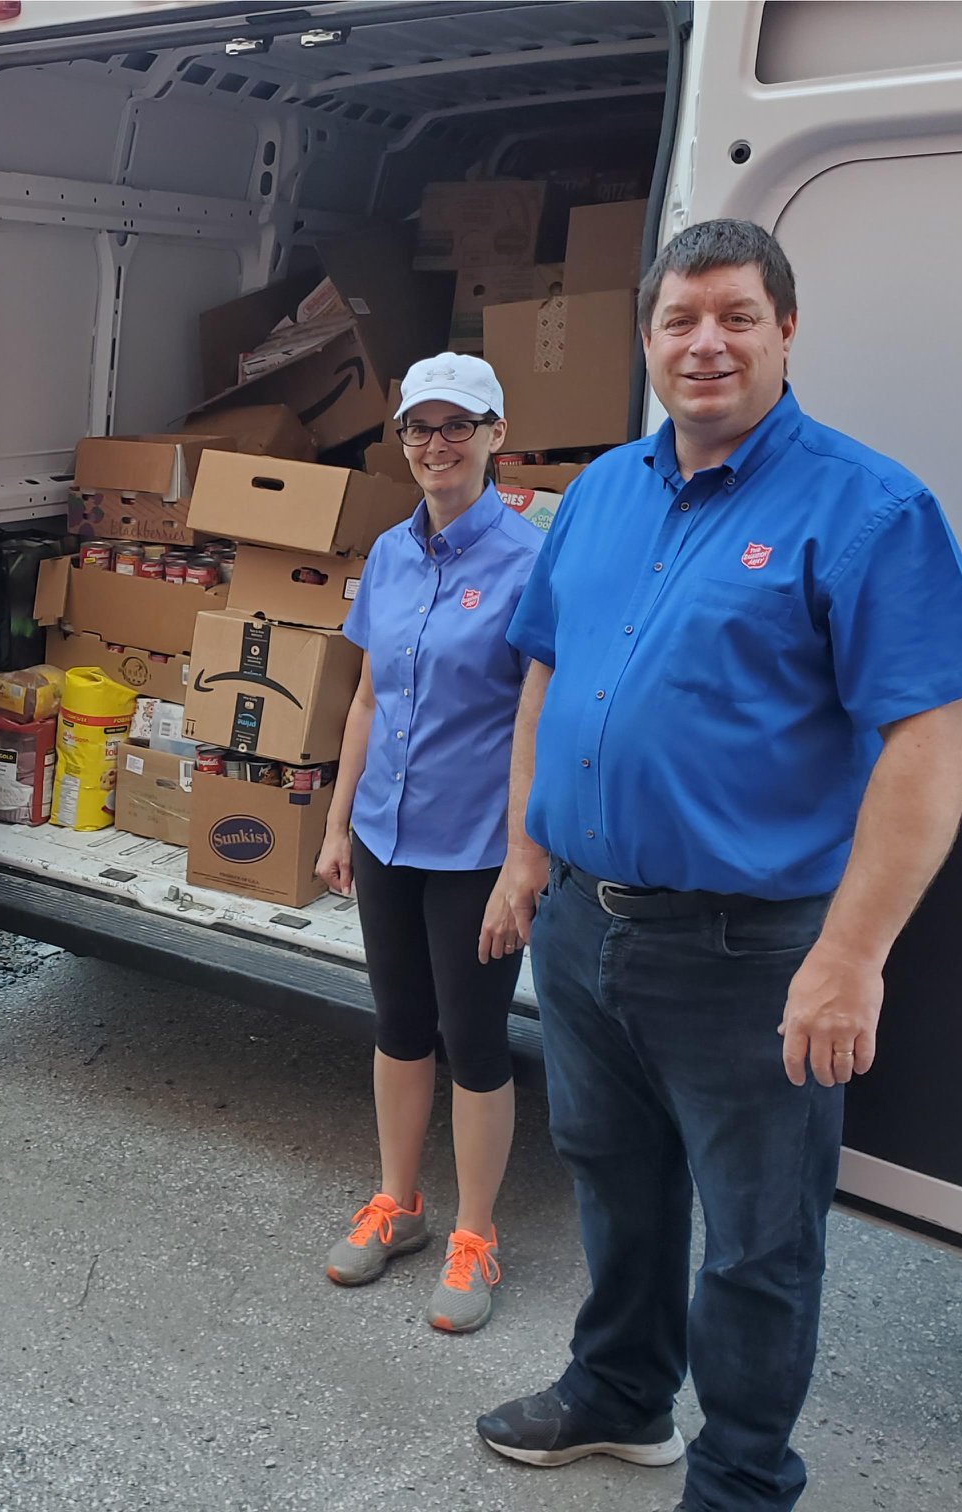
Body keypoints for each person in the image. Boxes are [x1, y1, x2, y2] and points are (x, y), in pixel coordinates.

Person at [474, 220, 962, 1511]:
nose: (706, 343)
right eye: (681, 319)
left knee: (758, 1242)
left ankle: (741, 1481)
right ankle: (622, 1395)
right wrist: (523, 855)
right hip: (586, 926)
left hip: (750, 951)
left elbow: (939, 739)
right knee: (613, 1181)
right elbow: (548, 674)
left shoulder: (867, 508)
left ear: (786, 333)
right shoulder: (601, 492)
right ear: (647, 339)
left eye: (736, 316)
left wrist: (851, 955)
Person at [314, 353, 544, 1332]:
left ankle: (475, 1234)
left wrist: (525, 863)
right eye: (420, 427)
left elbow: (539, 722)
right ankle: (398, 1203)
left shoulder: (530, 562)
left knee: (476, 1041)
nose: (436, 445)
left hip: (475, 850)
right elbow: (369, 697)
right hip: (386, 834)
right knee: (399, 1024)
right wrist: (337, 821)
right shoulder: (391, 552)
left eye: (458, 426)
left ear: (496, 436)